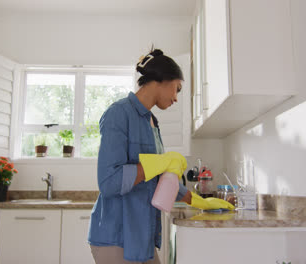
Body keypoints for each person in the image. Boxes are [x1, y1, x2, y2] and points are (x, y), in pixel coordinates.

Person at [88, 49, 234, 264]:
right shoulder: (118, 114)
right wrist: (161, 162)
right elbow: (109, 182)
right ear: (162, 80)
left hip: (140, 234)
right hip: (116, 236)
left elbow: (159, 180)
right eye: (177, 89)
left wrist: (199, 201)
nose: (176, 98)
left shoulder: (152, 123)